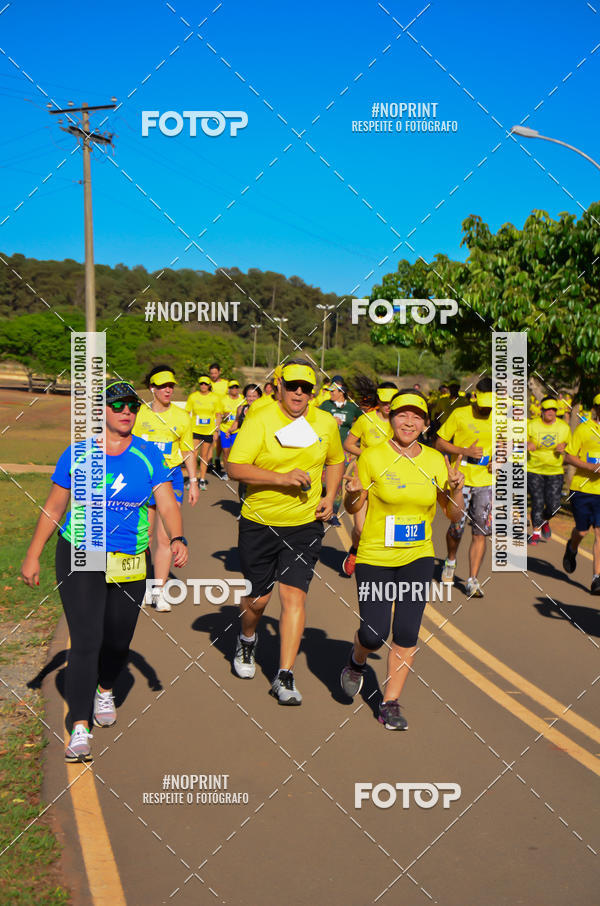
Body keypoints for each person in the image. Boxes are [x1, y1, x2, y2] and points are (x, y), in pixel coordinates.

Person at [21, 381, 189, 762]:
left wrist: (178, 537)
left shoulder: (147, 456)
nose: (126, 411)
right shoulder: (78, 454)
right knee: (85, 640)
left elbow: (166, 500)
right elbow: (54, 507)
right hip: (81, 553)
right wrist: (33, 554)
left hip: (130, 556)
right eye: (117, 405)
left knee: (117, 639)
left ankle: (106, 688)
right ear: (102, 412)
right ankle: (79, 728)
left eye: (131, 405)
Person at [340, 389, 464, 729]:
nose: (408, 421)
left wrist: (455, 488)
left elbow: (453, 516)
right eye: (402, 415)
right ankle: (357, 659)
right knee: (373, 633)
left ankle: (390, 702)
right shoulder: (373, 457)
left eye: (416, 416)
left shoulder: (436, 461)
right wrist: (352, 496)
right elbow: (354, 507)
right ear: (391, 418)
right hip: (376, 555)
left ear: (425, 423)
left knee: (407, 631)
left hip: (418, 556)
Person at [226, 359, 344, 704]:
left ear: (314, 392)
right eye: (292, 386)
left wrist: (330, 496)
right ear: (279, 385)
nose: (298, 393)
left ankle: (284, 675)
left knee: (294, 597)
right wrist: (280, 478)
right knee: (259, 600)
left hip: (304, 526)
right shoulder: (261, 419)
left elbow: (336, 460)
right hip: (259, 522)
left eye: (306, 388)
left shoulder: (324, 422)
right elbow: (235, 466)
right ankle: (247, 640)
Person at [133, 366, 198, 612]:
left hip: (171, 478)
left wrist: (193, 481)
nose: (168, 390)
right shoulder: (139, 414)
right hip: (143, 477)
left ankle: (158, 592)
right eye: (162, 386)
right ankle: (137, 586)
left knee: (165, 536)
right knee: (144, 535)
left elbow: (188, 450)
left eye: (171, 385)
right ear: (152, 389)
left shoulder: (182, 417)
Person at [435, 376, 494, 598]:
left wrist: (499, 460)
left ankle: (473, 580)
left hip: (487, 483)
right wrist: (465, 451)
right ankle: (450, 561)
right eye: (483, 405)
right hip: (461, 480)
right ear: (475, 397)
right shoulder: (460, 414)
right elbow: (439, 442)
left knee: (481, 532)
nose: (486, 410)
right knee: (456, 528)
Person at [342, 382, 397, 576]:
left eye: (391, 402)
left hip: (390, 480)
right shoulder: (366, 420)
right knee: (360, 528)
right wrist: (365, 453)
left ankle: (378, 564)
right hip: (364, 477)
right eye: (384, 402)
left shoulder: (400, 423)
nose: (388, 406)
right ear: (378, 401)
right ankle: (355, 550)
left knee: (385, 527)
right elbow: (348, 444)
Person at [562, 393, 600, 594]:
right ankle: (572, 547)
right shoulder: (584, 429)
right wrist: (589, 467)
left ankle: (597, 578)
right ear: (595, 409)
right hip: (582, 489)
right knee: (583, 531)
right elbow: (568, 457)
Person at [527, 397, 570, 544]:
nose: (551, 412)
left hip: (555, 471)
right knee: (538, 502)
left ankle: (544, 521)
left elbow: (570, 447)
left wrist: (563, 447)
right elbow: (519, 443)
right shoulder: (531, 425)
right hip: (533, 469)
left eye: (554, 409)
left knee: (554, 506)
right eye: (547, 409)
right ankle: (536, 532)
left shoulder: (564, 427)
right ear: (542, 410)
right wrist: (527, 444)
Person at [185, 376, 222, 490]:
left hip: (208, 431)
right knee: (193, 454)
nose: (203, 386)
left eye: (205, 384)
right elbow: (187, 412)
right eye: (201, 384)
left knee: (204, 456)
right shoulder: (193, 397)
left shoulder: (215, 398)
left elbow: (218, 415)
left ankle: (202, 479)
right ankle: (193, 479)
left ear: (209, 385)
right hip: (195, 430)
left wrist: (216, 430)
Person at [218, 380, 243, 474]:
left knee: (235, 452)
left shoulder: (242, 399)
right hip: (225, 429)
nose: (235, 389)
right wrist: (224, 415)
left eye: (236, 387)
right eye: (232, 387)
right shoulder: (223, 400)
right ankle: (227, 472)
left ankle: (235, 471)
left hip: (237, 429)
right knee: (225, 451)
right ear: (229, 389)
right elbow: (218, 415)